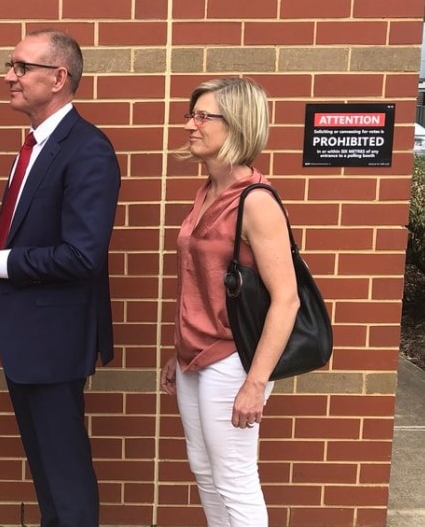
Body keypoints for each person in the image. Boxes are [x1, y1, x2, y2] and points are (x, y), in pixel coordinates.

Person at [0, 29, 120, 527]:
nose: (9, 76)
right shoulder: (34, 146)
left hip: (54, 340)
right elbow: (24, 228)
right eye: (12, 66)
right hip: (27, 337)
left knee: (64, 474)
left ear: (59, 78)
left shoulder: (87, 150)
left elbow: (82, 255)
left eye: (21, 67)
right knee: (47, 470)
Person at [160, 77, 300, 527]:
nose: (190, 125)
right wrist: (179, 347)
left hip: (234, 358)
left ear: (236, 124)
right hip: (192, 358)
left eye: (203, 116)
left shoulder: (256, 201)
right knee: (205, 472)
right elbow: (202, 282)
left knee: (235, 477)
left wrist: (256, 384)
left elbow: (287, 300)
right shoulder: (206, 192)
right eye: (191, 114)